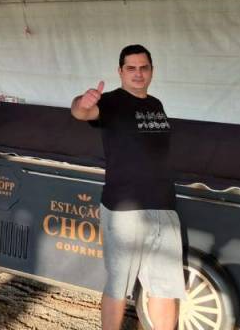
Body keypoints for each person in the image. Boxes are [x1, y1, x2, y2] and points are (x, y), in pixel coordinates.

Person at [71, 45, 184, 330]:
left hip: (164, 207)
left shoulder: (156, 105)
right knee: (118, 285)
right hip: (124, 209)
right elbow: (81, 113)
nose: (138, 73)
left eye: (143, 67)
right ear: (120, 72)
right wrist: (82, 102)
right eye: (131, 68)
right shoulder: (111, 102)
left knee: (164, 287)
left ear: (152, 71)